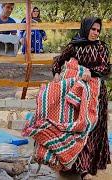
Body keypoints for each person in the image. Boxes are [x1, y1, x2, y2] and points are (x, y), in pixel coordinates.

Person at [52, 17, 110, 179]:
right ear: (86, 28)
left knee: (93, 128)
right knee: (78, 127)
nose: (95, 33)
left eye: (98, 30)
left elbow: (105, 67)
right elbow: (59, 60)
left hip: (96, 93)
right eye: (93, 29)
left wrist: (89, 71)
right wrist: (56, 73)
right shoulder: (74, 45)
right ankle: (72, 164)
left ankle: (86, 168)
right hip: (77, 93)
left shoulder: (101, 47)